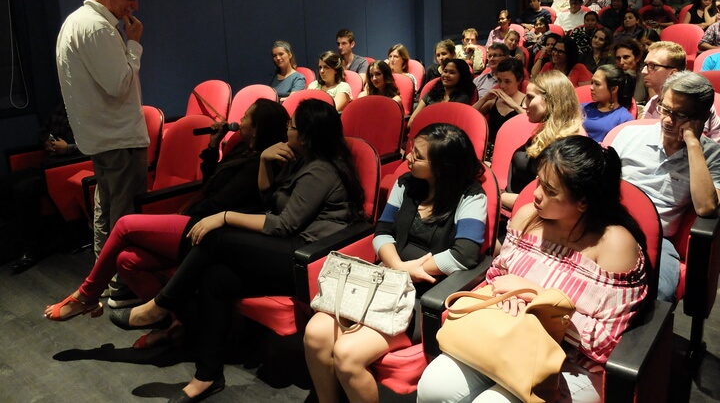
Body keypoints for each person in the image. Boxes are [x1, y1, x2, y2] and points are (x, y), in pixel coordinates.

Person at [110, 99, 367, 402]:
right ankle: (207, 376)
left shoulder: (321, 171)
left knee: (217, 237)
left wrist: (225, 216)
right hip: (291, 249)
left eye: (292, 126)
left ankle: (159, 306)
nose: (287, 128)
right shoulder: (299, 159)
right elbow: (270, 200)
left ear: (307, 136)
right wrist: (264, 162)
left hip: (310, 260)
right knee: (216, 278)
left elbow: (283, 225)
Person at [418, 135, 649, 403]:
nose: (536, 194)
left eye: (550, 190)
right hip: (506, 336)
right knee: (433, 386)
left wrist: (538, 298)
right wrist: (503, 295)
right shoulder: (528, 216)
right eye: (539, 181)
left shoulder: (614, 245)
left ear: (583, 202)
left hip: (570, 362)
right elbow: (497, 278)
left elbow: (606, 343)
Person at [43, 100, 289, 334]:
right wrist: (214, 145)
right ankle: (176, 322)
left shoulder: (261, 162)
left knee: (125, 225)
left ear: (257, 129)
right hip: (197, 218)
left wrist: (182, 214)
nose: (240, 119)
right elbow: (213, 182)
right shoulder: (242, 148)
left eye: (246, 116)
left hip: (209, 230)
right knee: (127, 260)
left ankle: (86, 295)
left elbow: (220, 202)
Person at [304, 123, 487, 403]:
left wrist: (415, 272)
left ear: (443, 166)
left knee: (347, 354)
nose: (409, 158)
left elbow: (464, 255)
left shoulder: (471, 196)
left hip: (423, 296)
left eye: (419, 156)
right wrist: (400, 267)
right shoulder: (405, 183)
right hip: (385, 279)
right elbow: (382, 232)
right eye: (412, 150)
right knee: (315, 334)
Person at [56, 0, 149, 302]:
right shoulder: (97, 28)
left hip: (102, 138)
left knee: (106, 210)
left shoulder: (74, 22)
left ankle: (104, 279)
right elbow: (120, 85)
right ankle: (121, 287)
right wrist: (134, 43)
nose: (135, 6)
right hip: (119, 138)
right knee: (123, 217)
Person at [612, 71, 720, 302]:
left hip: (658, 238)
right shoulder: (630, 134)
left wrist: (692, 143)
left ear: (701, 117)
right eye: (665, 109)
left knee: (660, 292)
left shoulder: (711, 155)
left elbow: (707, 208)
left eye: (680, 114)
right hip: (611, 223)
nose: (668, 120)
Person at [7, 103, 83, 274]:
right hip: (48, 164)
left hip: (68, 168)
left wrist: (68, 148)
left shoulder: (87, 108)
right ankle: (12, 243)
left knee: (23, 189)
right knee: (7, 182)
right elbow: (43, 131)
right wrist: (46, 141)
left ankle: (33, 249)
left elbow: (95, 145)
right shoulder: (60, 108)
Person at [501, 71, 584, 212]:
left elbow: (543, 200)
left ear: (550, 101)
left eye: (530, 98)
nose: (525, 105)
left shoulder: (566, 145)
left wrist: (497, 196)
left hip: (529, 215)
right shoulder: (548, 130)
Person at [640, 41, 720, 141]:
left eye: (652, 66)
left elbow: (694, 145)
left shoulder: (696, 104)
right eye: (645, 65)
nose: (643, 71)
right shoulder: (652, 103)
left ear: (673, 73)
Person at [474, 58, 526, 145]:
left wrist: (516, 107)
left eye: (507, 81)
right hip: (491, 147)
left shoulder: (526, 100)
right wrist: (484, 99)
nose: (502, 85)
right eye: (499, 80)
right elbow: (469, 116)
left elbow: (532, 125)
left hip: (514, 150)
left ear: (519, 80)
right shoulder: (494, 99)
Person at [409, 59, 475, 127]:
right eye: (445, 71)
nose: (446, 75)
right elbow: (411, 122)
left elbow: (447, 126)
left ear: (461, 76)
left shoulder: (462, 98)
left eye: (452, 73)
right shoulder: (432, 93)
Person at [582, 65, 635, 143]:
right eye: (592, 82)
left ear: (613, 89)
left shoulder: (624, 118)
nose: (591, 87)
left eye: (597, 84)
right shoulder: (583, 108)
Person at [614, 39, 648, 106]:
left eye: (626, 57)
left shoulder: (645, 77)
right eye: (618, 58)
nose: (621, 62)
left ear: (637, 58)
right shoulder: (612, 78)